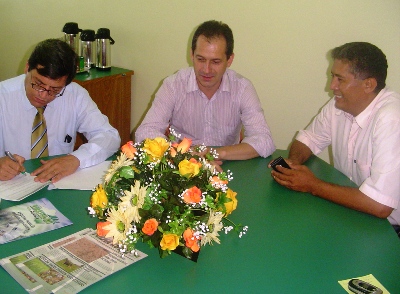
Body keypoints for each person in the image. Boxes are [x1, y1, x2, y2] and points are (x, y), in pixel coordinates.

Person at [270, 42, 400, 231]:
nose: (331, 86)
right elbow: (308, 139)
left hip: (388, 229)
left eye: (340, 79)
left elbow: (380, 206)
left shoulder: (391, 119)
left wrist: (312, 185)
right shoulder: (338, 105)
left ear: (368, 84)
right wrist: (293, 164)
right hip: (350, 211)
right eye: (332, 77)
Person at [135, 20, 275, 167]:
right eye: (200, 59)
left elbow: (264, 140)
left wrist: (215, 153)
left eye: (215, 62)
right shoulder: (173, 85)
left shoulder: (242, 88)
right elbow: (145, 132)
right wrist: (183, 154)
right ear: (191, 54)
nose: (206, 70)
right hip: (179, 165)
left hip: (226, 165)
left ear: (229, 60)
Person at [0, 39, 120, 183]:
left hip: (58, 183)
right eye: (38, 84)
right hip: (11, 185)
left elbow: (109, 136)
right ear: (27, 68)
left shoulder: (75, 95)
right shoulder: (3, 96)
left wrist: (76, 159)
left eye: (55, 90)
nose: (43, 95)